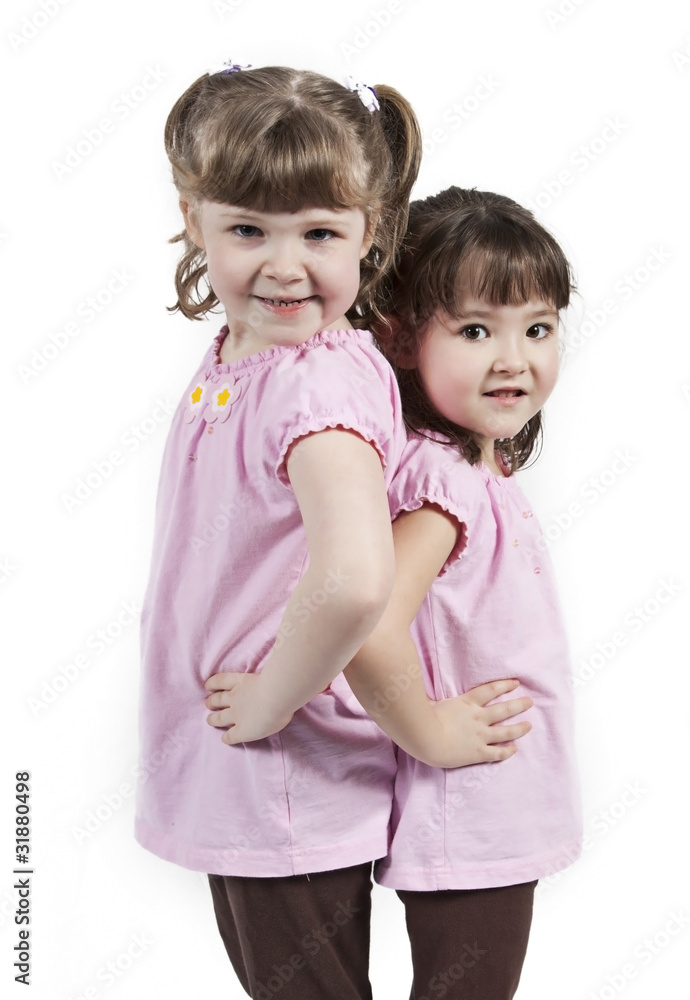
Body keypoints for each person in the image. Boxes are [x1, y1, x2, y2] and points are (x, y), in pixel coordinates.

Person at [136, 67, 531, 1000]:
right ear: (194, 219)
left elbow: (357, 578)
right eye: (248, 230)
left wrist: (274, 699)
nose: (284, 265)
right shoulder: (258, 350)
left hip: (287, 771)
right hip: (251, 765)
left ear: (371, 234)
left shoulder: (316, 390)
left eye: (319, 234)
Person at [341, 186, 583, 999]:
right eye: (477, 330)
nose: (514, 358)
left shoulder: (474, 463)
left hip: (486, 806)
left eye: (537, 327)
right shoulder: (446, 480)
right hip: (473, 809)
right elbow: (369, 623)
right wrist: (433, 733)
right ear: (401, 338)